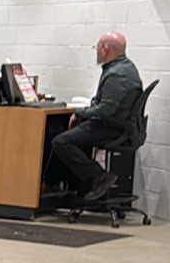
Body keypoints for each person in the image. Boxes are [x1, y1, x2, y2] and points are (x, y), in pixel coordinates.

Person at [51, 31, 143, 202]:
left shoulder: (116, 75)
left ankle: (99, 177)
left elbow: (106, 110)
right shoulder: (124, 68)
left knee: (60, 142)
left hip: (111, 127)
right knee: (73, 135)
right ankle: (90, 186)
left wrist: (80, 113)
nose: (96, 51)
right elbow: (102, 102)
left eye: (97, 47)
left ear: (105, 49)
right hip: (120, 126)